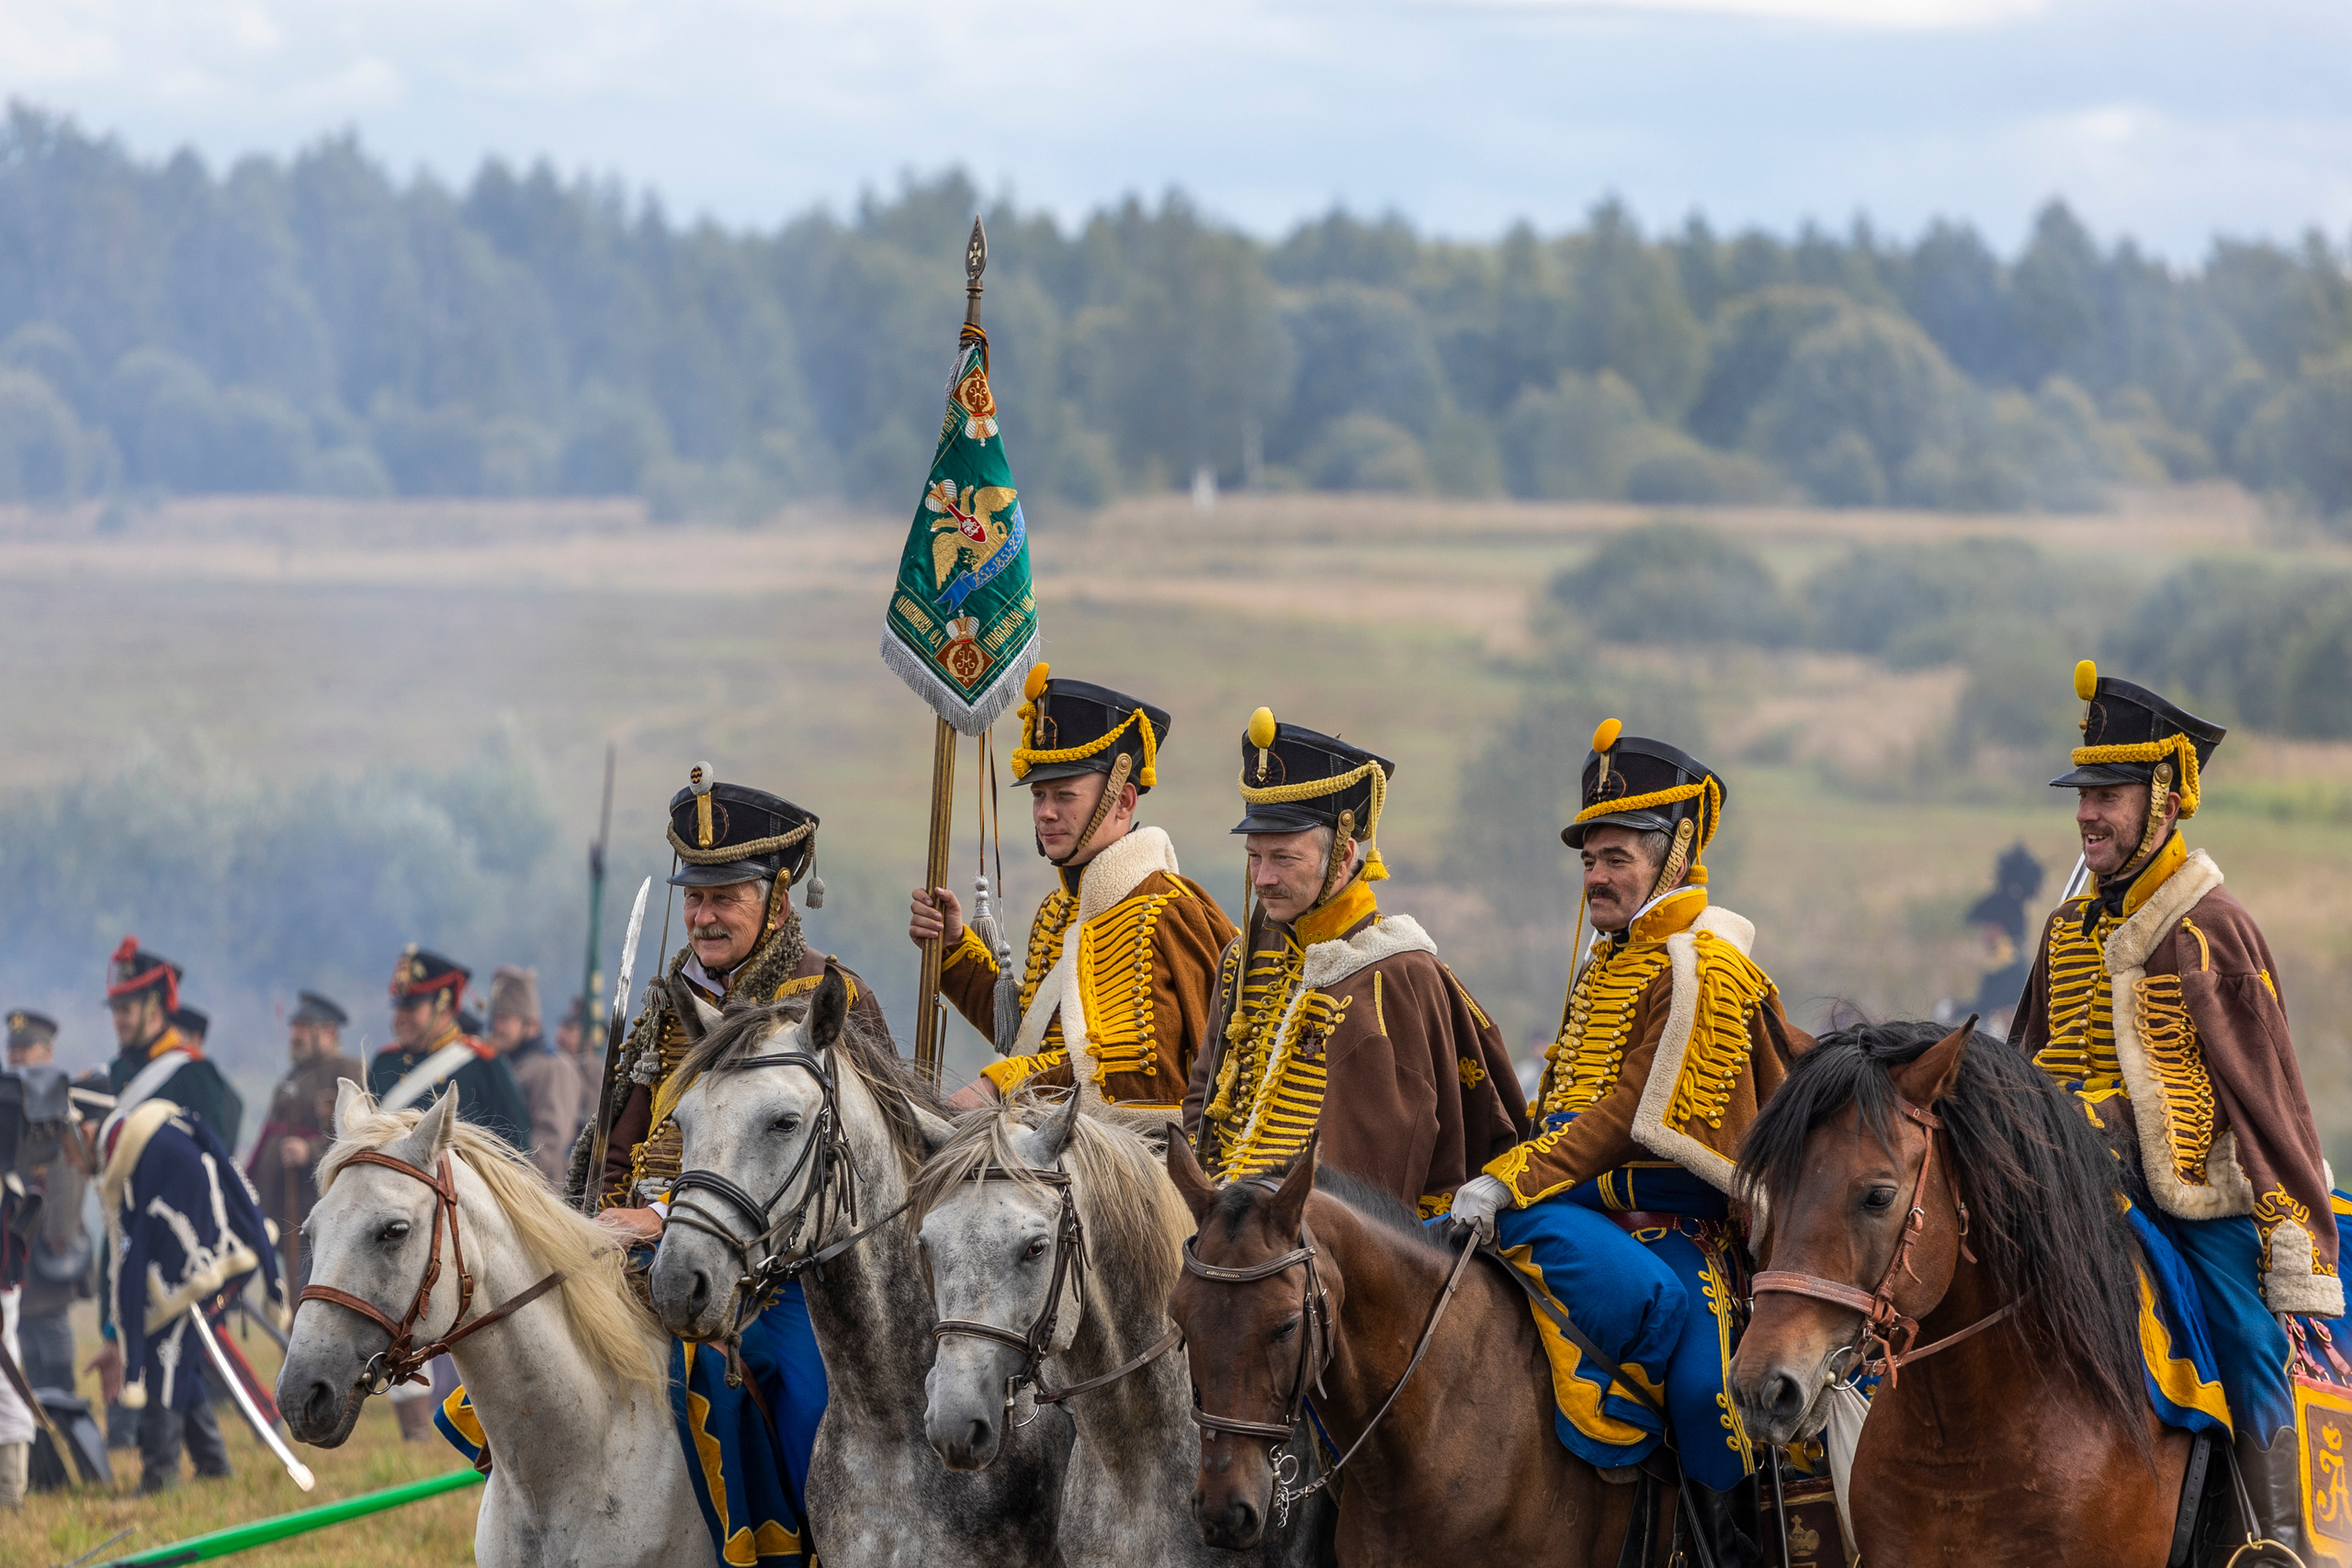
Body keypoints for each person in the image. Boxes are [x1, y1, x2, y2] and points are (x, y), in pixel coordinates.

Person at [1448, 723, 1807, 1564]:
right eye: (1589, 860)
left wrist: (1510, 1182)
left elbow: (1624, 1116)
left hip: (1679, 1229)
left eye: (1616, 858)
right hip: (1576, 1211)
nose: (1597, 876)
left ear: (1673, 857)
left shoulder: (1701, 967)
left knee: (1701, 1388)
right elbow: (1557, 1109)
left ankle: (1733, 1551)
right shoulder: (1607, 963)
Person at [2010, 660, 2346, 1557]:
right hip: (2058, 1184)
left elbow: (2270, 1100)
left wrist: (2292, 1246)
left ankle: (2284, 1541)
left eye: (2109, 792)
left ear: (2166, 795)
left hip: (2192, 1198)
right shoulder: (2062, 928)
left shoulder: (2211, 929)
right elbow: (2020, 1063)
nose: (2087, 812)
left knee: (2243, 1332)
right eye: (2083, 790)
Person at [551, 768, 888, 1564]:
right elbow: (618, 1143)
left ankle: (815, 1547)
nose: (702, 915)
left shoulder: (829, 998)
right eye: (693, 895)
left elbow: (867, 1171)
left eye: (724, 895)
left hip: (788, 1270)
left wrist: (669, 1217)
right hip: (648, 1250)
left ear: (774, 899)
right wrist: (599, 1217)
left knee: (796, 1392)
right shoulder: (671, 1000)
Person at [1183, 707, 1526, 1215]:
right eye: (1255, 857)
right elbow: (1203, 1101)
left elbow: (1390, 1168)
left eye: (1284, 858)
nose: (1263, 878)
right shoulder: (1242, 959)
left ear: (1343, 858)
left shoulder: (1400, 974)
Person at [909, 666, 1237, 1115]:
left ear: (1123, 801)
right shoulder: (1057, 909)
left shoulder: (1170, 910)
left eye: (1064, 795)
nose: (1045, 812)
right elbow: (1026, 1036)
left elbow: (1142, 1077)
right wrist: (953, 949)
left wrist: (1006, 1084)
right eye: (1038, 795)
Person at [90, 1096, 282, 1493]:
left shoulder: (148, 1147)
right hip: (212, 1262)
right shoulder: (153, 1142)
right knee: (182, 1357)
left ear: (87, 1130)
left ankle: (159, 1477)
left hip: (209, 1264)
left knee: (166, 1352)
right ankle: (214, 1465)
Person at [245, 991, 361, 1292]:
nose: (294, 1035)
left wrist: (309, 1151)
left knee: (309, 1292)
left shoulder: (345, 1070)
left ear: (329, 1032)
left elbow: (359, 1133)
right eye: (294, 1027)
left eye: (303, 1027)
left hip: (315, 1207)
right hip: (283, 1207)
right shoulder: (294, 1075)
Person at [368, 948, 532, 1151]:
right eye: (398, 1008)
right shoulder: (384, 1062)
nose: (400, 1018)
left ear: (443, 1010)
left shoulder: (483, 1064)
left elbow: (516, 1147)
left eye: (411, 1009)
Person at [102, 939, 240, 1149]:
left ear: (154, 1014)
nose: (117, 1021)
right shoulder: (116, 1070)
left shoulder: (195, 1075)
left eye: (125, 1011)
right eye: (115, 1011)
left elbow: (211, 1155)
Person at [488, 966, 582, 1187]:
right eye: (496, 1018)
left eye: (506, 1019)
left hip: (535, 1193)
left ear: (531, 1024)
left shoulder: (552, 1068)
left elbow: (549, 1143)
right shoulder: (507, 1064)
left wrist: (505, 1180)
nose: (497, 1027)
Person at [1963, 841, 2043, 1032]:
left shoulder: (2011, 963)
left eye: (1989, 926)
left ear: (2001, 928)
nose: (1985, 933)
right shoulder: (2001, 960)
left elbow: (1998, 1008)